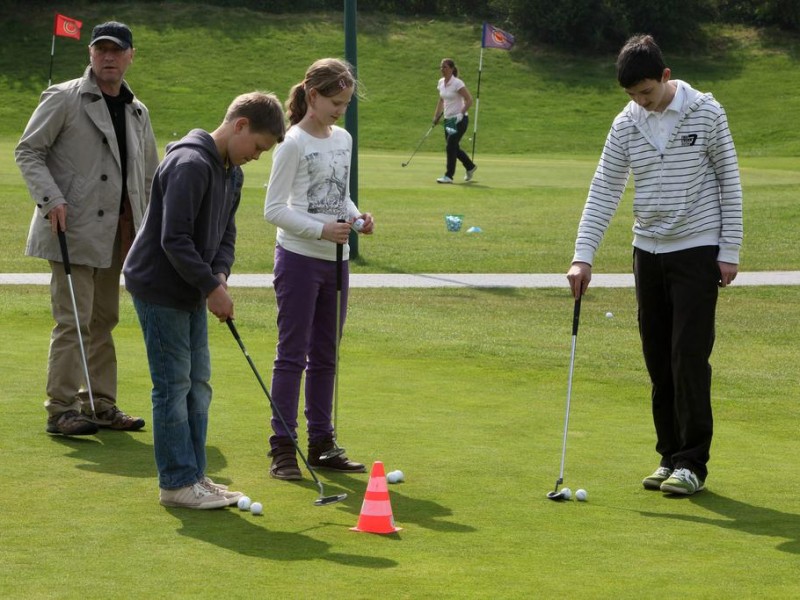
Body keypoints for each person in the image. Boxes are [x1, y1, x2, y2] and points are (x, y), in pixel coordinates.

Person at [566, 34, 743, 496]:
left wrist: (730, 249)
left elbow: (729, 178)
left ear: (665, 77)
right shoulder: (627, 122)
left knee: (688, 356)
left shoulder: (706, 111)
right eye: (632, 96)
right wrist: (582, 256)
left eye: (646, 92)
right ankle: (668, 455)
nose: (641, 103)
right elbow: (604, 188)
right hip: (648, 251)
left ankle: (693, 463)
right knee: (657, 357)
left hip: (698, 249)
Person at [123, 92, 286, 509]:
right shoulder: (190, 164)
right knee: (173, 386)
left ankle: (194, 475)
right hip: (160, 288)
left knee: (198, 384)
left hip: (193, 287)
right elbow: (173, 239)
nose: (257, 156)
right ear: (241, 125)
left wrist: (220, 276)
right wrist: (212, 289)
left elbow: (225, 234)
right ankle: (176, 483)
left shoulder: (232, 172)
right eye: (258, 147)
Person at [16, 21, 159, 436]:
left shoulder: (137, 110)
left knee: (104, 321)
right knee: (73, 322)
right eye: (101, 50)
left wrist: (147, 231)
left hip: (119, 236)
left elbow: (148, 178)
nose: (108, 57)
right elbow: (28, 151)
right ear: (90, 55)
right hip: (70, 228)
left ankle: (99, 405)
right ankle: (60, 410)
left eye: (116, 50)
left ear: (131, 55)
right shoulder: (62, 97)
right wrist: (51, 198)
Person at [264, 58, 374, 480]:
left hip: (336, 261)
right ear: (313, 96)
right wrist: (321, 230)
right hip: (297, 259)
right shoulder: (292, 143)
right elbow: (274, 210)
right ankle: (282, 449)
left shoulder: (342, 138)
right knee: (292, 355)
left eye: (345, 103)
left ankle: (322, 443)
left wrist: (357, 217)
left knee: (327, 354)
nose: (340, 110)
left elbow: (337, 195)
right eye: (335, 102)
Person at [432, 58, 477, 184]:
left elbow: (469, 100)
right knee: (453, 147)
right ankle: (470, 166)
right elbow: (441, 100)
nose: (442, 69)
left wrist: (461, 114)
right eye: (441, 67)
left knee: (450, 146)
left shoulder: (457, 83)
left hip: (460, 120)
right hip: (449, 121)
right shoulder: (441, 82)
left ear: (452, 69)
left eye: (445, 67)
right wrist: (436, 117)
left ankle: (449, 176)